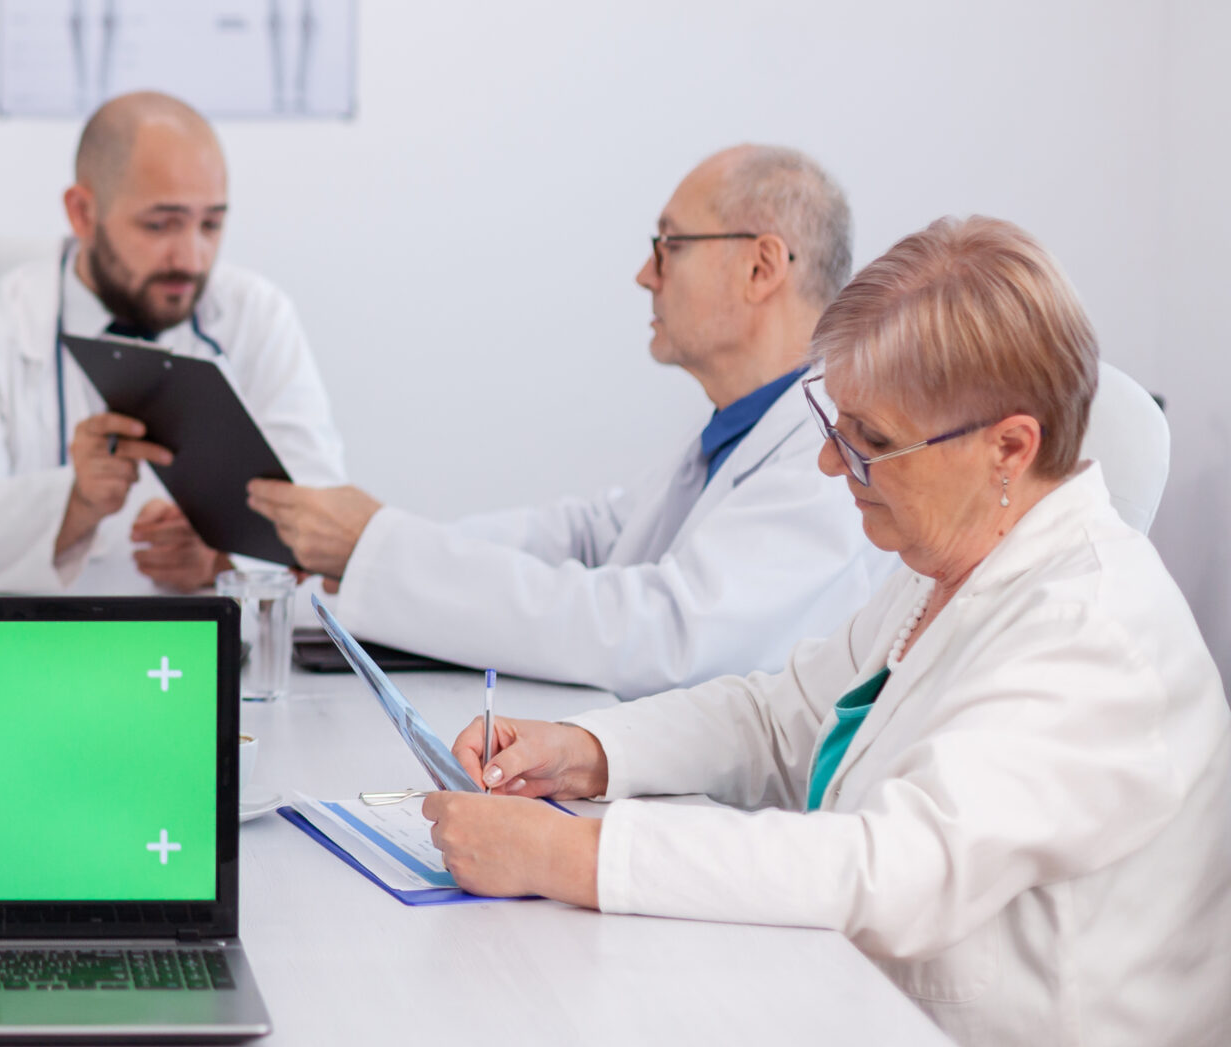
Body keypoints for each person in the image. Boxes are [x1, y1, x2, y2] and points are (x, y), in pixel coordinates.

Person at [422, 218, 1231, 1047]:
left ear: (1010, 446)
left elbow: (889, 869)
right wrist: (583, 751)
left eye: (871, 441)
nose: (826, 461)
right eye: (834, 421)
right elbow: (781, 718)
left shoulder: (1091, 634)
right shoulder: (954, 563)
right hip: (870, 1021)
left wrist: (567, 856)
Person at [239, 144, 883, 696]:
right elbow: (591, 535)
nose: (644, 274)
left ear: (760, 267)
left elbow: (658, 632)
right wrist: (362, 543)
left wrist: (380, 546)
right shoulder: (743, 430)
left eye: (669, 246)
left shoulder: (831, 460)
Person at [0, 90, 346, 593]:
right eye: (160, 225)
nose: (192, 259)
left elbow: (321, 518)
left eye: (211, 224)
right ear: (83, 213)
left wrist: (220, 559)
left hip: (199, 655)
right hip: (35, 651)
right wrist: (75, 501)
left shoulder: (257, 316)